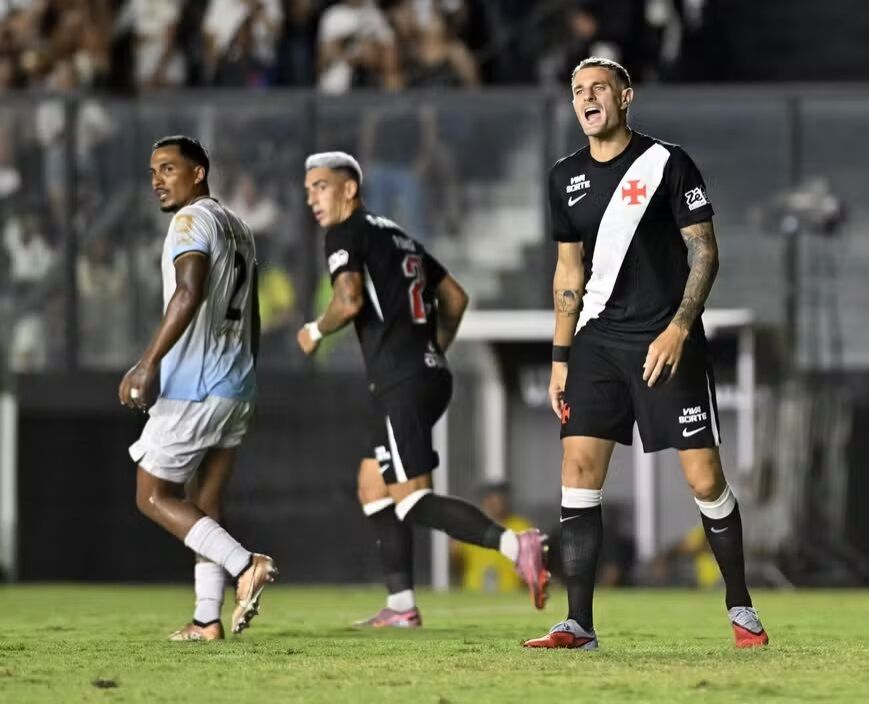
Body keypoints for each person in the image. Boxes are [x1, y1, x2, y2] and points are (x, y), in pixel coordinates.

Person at [522, 57, 768, 651]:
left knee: (704, 478)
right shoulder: (564, 177)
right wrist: (560, 357)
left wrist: (680, 328)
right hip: (596, 343)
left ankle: (741, 607)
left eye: (598, 88)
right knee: (578, 471)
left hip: (666, 341)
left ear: (625, 96)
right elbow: (568, 271)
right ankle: (579, 625)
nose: (587, 98)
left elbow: (705, 251)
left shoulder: (668, 162)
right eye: (578, 90)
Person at [297, 151, 548, 626]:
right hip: (425, 373)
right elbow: (456, 298)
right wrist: (432, 351)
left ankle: (516, 545)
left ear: (349, 189)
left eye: (321, 186)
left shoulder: (346, 233)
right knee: (373, 485)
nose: (312, 198)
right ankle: (401, 606)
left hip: (400, 378)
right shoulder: (397, 235)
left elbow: (348, 300)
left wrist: (314, 330)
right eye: (308, 189)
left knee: (411, 499)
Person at [119, 135, 276, 641]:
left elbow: (187, 293)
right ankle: (207, 618)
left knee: (151, 494)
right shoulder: (241, 228)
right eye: (153, 172)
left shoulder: (190, 221)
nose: (157, 181)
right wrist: (245, 375)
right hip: (236, 384)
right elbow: (252, 316)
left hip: (197, 384)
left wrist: (147, 363)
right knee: (205, 501)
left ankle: (245, 564)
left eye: (168, 168)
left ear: (199, 172)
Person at [452, 483, 533, 593]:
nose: (496, 502)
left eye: (499, 497)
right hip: (474, 593)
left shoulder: (521, 527)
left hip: (511, 594)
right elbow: (456, 563)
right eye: (490, 498)